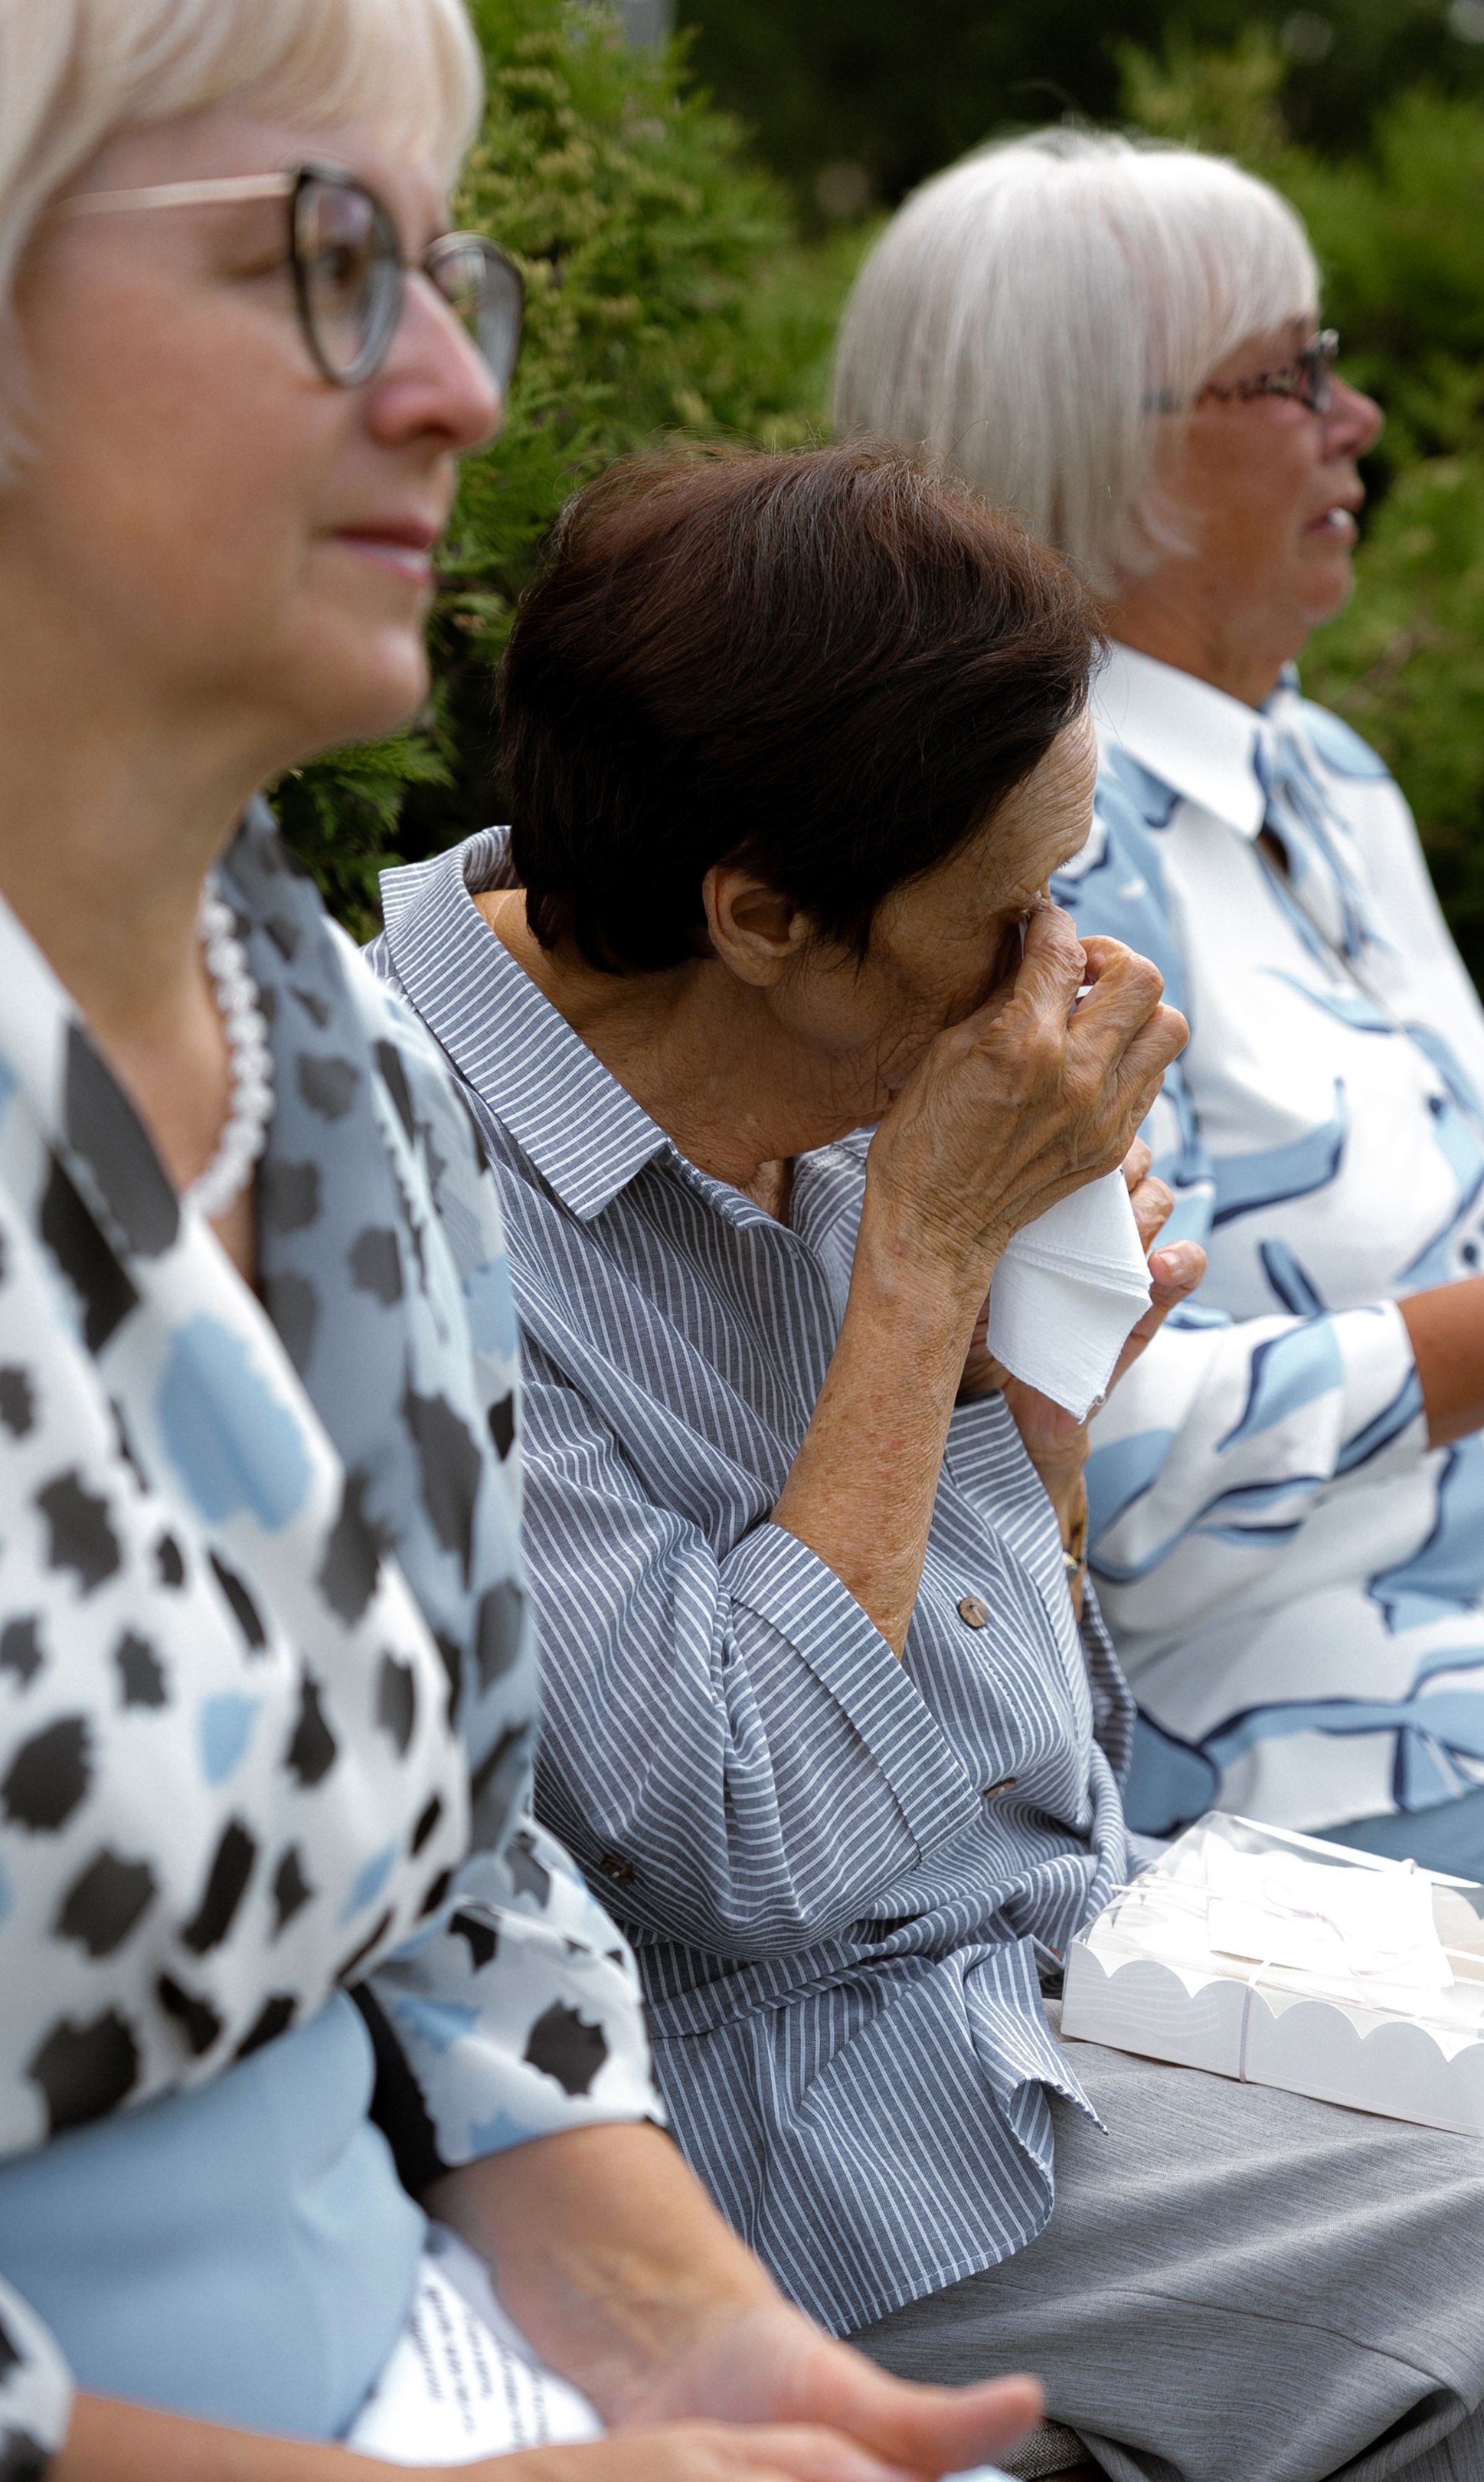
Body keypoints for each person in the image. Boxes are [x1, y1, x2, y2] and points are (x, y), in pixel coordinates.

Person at [380, 438, 1484, 2482]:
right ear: (764, 913)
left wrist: (1031, 1385)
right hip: (783, 2114)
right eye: (1008, 911)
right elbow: (749, 1841)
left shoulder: (817, 1049)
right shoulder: (417, 1178)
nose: (1065, 973)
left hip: (1055, 1949)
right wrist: (935, 1268)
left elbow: (1017, 1731)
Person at [0, 8, 1042, 2479]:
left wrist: (693, 2341)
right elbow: (755, 1822)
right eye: (325, 261)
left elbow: (478, 1897)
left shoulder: (339, 1069)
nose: (462, 385)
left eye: (445, 267)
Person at [833, 129, 1484, 2006]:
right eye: (1286, 375)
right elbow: (1090, 1457)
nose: (1355, 417)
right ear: (1086, 442)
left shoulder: (1318, 775)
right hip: (1256, 1726)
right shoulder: (1023, 879)